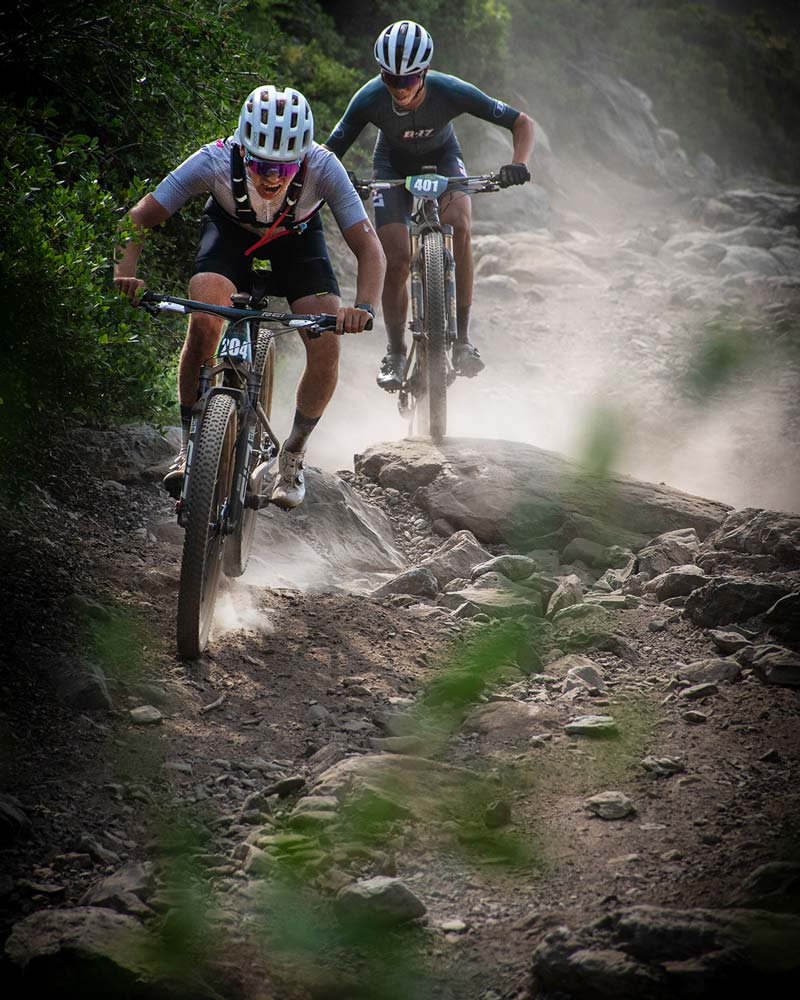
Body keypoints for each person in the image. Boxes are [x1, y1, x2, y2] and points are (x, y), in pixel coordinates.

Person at [114, 85, 385, 508]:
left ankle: (293, 452)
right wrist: (124, 274)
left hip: (298, 242)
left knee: (327, 340)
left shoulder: (325, 166)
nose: (273, 177)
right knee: (204, 317)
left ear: (304, 158)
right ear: (242, 150)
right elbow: (141, 217)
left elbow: (369, 247)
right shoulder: (214, 158)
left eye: (287, 167)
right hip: (229, 234)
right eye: (261, 164)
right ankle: (190, 444)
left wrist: (364, 307)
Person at [325, 19, 534, 391]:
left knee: (461, 226)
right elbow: (327, 156)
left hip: (444, 159)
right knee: (397, 257)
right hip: (390, 165)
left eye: (407, 80)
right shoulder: (370, 98)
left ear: (424, 73)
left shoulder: (450, 90)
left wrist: (518, 164)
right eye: (390, 79)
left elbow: (521, 122)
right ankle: (393, 351)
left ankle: (463, 340)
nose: (398, 88)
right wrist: (342, 181)